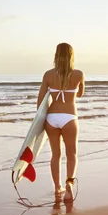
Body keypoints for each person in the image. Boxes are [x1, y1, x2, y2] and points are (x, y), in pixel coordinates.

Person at [36, 43, 85, 202]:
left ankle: (57, 187)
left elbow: (41, 101)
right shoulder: (78, 74)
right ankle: (69, 183)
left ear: (56, 56)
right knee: (72, 154)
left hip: (52, 118)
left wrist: (40, 122)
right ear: (72, 56)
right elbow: (80, 94)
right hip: (70, 117)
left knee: (55, 155)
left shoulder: (48, 75)